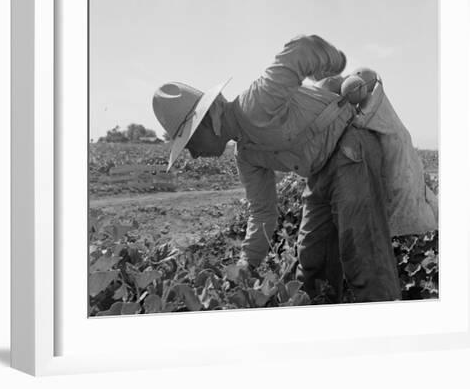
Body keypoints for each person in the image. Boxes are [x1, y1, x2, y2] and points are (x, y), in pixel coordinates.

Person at [152, 35, 402, 303]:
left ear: (209, 119)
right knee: (312, 263)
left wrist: (336, 63)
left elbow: (302, 49)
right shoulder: (246, 155)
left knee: (363, 256)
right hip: (320, 171)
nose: (193, 153)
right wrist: (247, 264)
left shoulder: (256, 103)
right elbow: (262, 213)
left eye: (189, 140)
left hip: (351, 151)